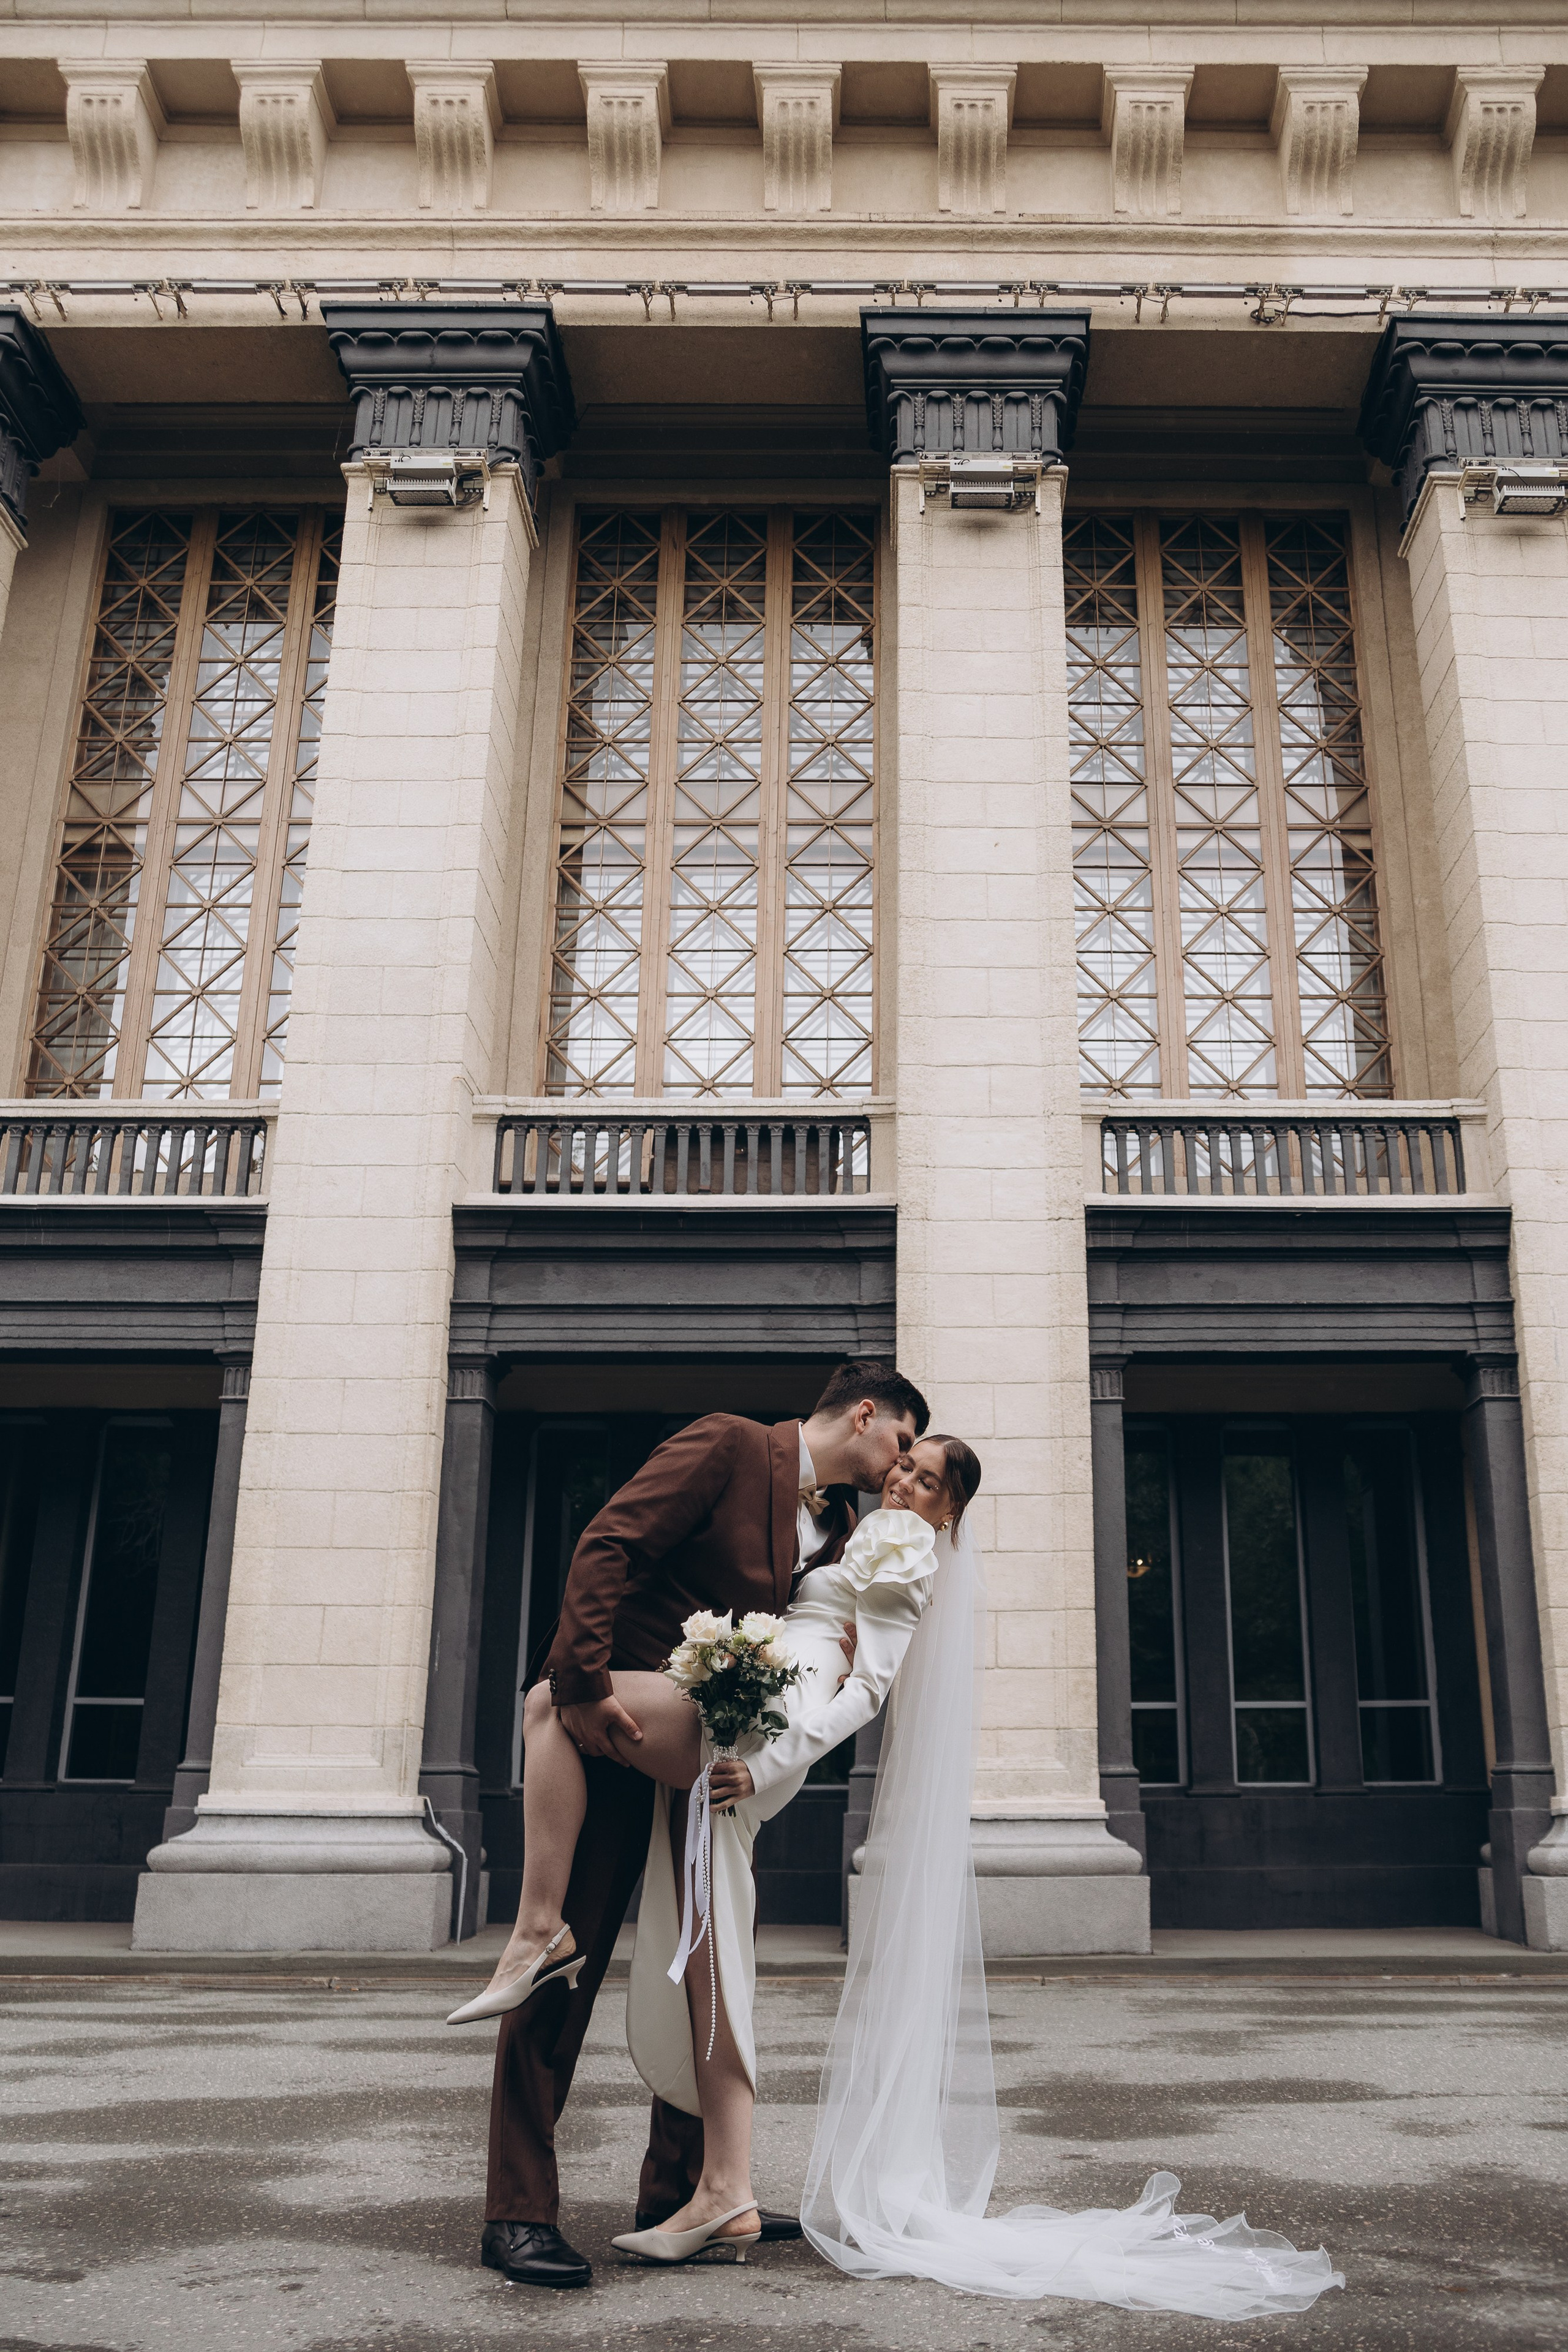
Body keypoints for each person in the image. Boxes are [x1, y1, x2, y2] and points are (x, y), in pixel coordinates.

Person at [456, 1359, 930, 2291]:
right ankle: (517, 2211)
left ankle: (685, 2191)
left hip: (711, 1764)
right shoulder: (730, 1443)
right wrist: (582, 1685)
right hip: (615, 1736)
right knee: (562, 1973)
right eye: (904, 1442)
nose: (901, 1465)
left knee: (695, 1961)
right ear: (866, 1412)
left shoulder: (840, 1527)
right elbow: (610, 1545)